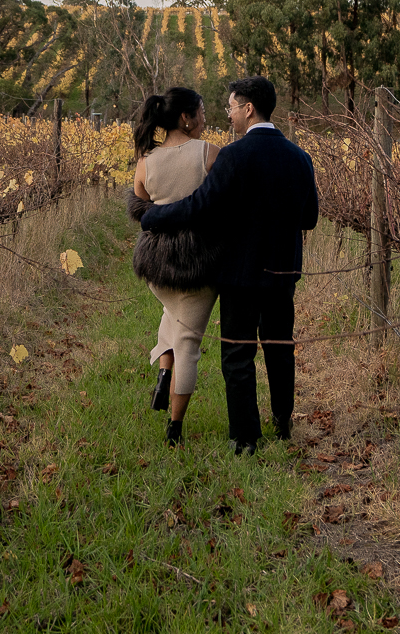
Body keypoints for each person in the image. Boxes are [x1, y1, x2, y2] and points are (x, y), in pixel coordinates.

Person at [132, 76, 317, 454]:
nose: (228, 115)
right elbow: (310, 218)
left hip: (239, 272)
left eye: (231, 107)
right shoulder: (300, 158)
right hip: (282, 271)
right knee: (280, 348)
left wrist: (153, 217)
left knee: (237, 355)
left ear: (248, 108)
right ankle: (282, 423)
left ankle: (245, 438)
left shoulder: (232, 156)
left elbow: (200, 205)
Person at [129, 87, 220, 446]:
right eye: (201, 111)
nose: (205, 118)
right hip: (199, 264)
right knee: (188, 343)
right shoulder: (209, 154)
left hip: (158, 266)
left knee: (173, 313)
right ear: (186, 117)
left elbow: (141, 208)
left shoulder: (146, 161)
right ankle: (175, 429)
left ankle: (163, 379)